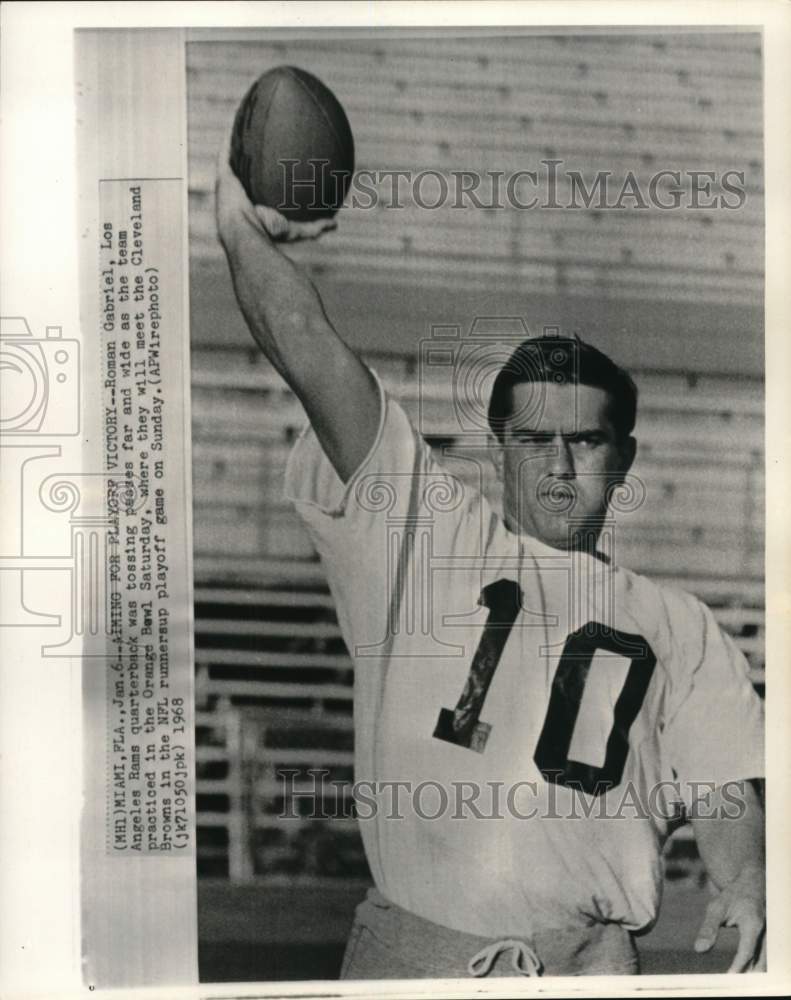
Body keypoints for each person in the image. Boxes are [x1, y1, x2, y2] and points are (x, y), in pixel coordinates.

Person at [215, 139, 766, 978]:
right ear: (499, 450)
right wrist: (237, 226)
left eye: (583, 440)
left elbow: (721, 781)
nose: (557, 464)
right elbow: (309, 350)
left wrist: (743, 874)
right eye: (532, 440)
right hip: (419, 954)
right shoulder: (417, 535)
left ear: (622, 456)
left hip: (593, 964)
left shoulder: (679, 627)